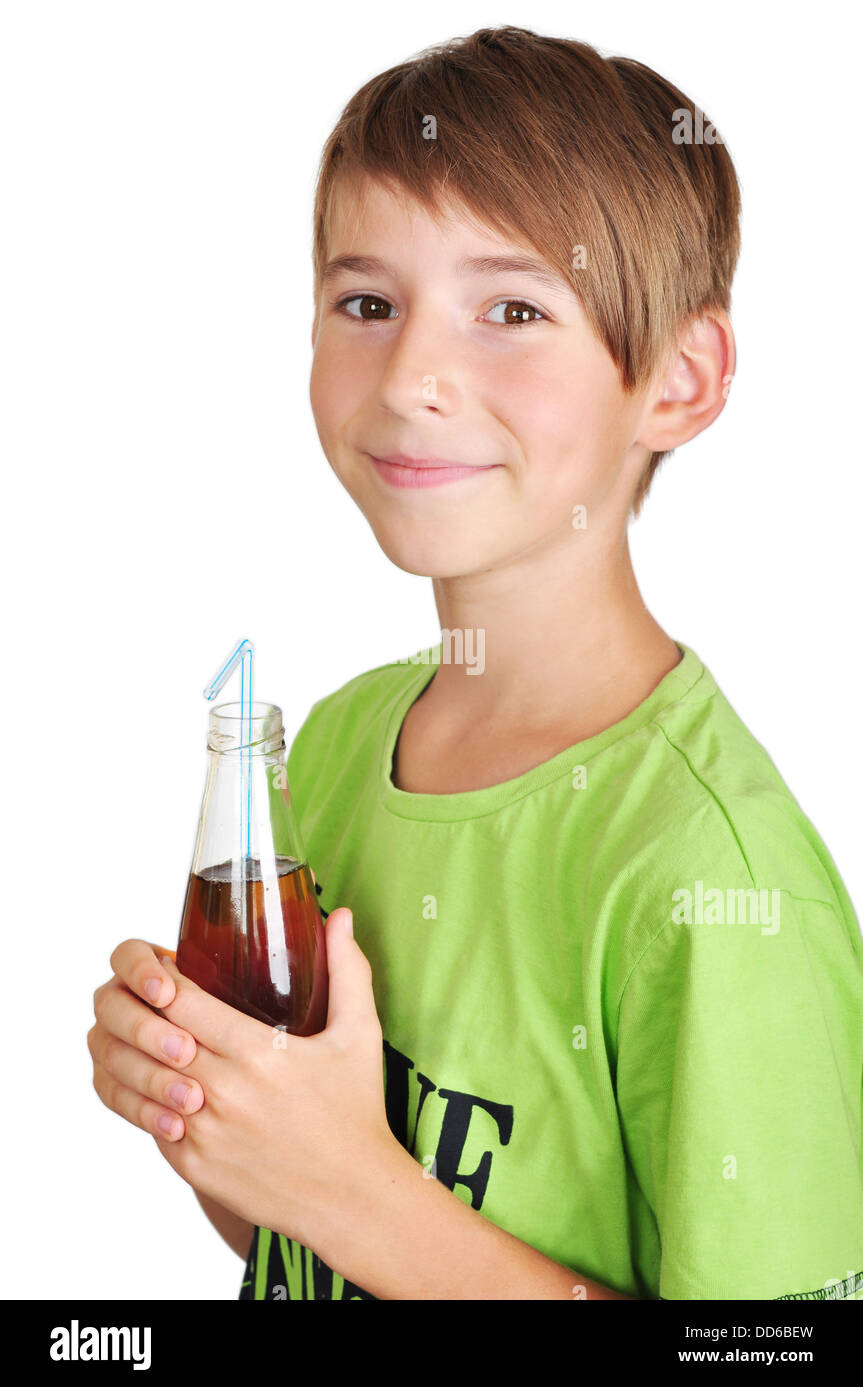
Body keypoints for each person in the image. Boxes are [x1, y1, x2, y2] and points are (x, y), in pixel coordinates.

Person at [89, 26, 863, 1300]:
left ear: (677, 378)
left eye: (510, 309)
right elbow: (301, 1240)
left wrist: (346, 1182)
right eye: (366, 304)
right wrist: (220, 1132)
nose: (413, 376)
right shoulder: (332, 747)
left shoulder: (714, 880)